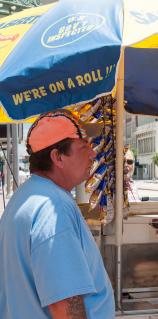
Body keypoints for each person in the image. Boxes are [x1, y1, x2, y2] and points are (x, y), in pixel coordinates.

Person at [0, 109, 115, 319]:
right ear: (58, 157)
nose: (92, 153)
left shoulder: (25, 197)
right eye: (83, 146)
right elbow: (66, 304)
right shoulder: (53, 207)